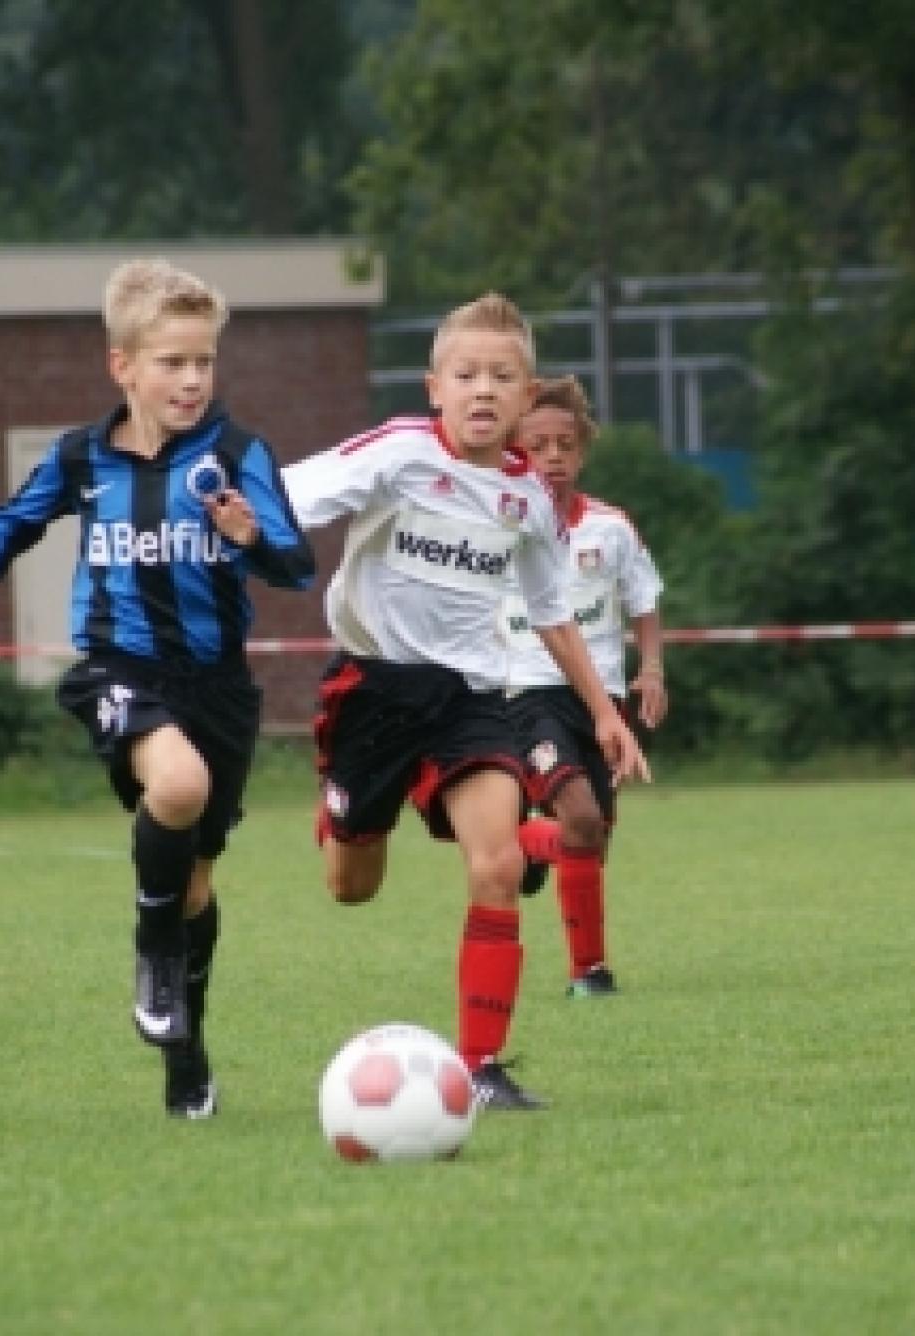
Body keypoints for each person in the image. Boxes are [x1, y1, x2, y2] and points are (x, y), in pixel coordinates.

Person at [0, 258, 315, 1120]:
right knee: (176, 787)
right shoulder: (81, 458)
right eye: (172, 362)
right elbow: (5, 525)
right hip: (120, 670)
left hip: (218, 689)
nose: (192, 379)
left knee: (197, 888)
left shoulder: (238, 454)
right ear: (124, 366)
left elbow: (297, 564)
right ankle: (152, 950)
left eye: (204, 361)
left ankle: (186, 1059)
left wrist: (250, 537)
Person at [282, 292, 651, 1112]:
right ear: (435, 387)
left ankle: (480, 1068)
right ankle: (345, 809)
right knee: (351, 886)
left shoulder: (530, 500)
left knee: (497, 867)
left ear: (527, 396)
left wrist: (603, 711)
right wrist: (237, 530)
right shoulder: (399, 452)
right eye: (467, 374)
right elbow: (285, 500)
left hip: (471, 695)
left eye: (502, 376)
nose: (484, 389)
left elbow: (551, 611)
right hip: (373, 689)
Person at [499, 376, 667, 997]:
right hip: (525, 693)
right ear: (516, 451)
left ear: (582, 452)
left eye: (564, 445)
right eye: (537, 445)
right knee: (581, 818)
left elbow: (643, 599)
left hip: (601, 703)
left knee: (593, 839)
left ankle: (526, 847)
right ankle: (589, 974)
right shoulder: (498, 521)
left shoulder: (610, 528)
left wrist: (651, 669)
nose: (552, 457)